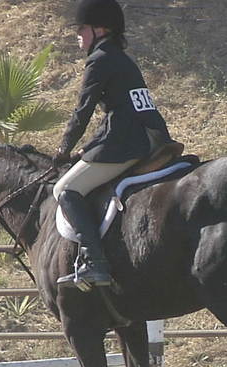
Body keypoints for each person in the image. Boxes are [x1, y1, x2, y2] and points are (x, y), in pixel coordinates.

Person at [52, 0, 174, 290]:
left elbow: (82, 111)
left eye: (82, 28)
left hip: (126, 143)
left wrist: (63, 149)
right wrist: (88, 148)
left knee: (65, 189)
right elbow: (119, 113)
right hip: (147, 136)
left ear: (101, 29)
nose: (77, 34)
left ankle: (95, 262)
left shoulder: (100, 59)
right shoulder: (121, 58)